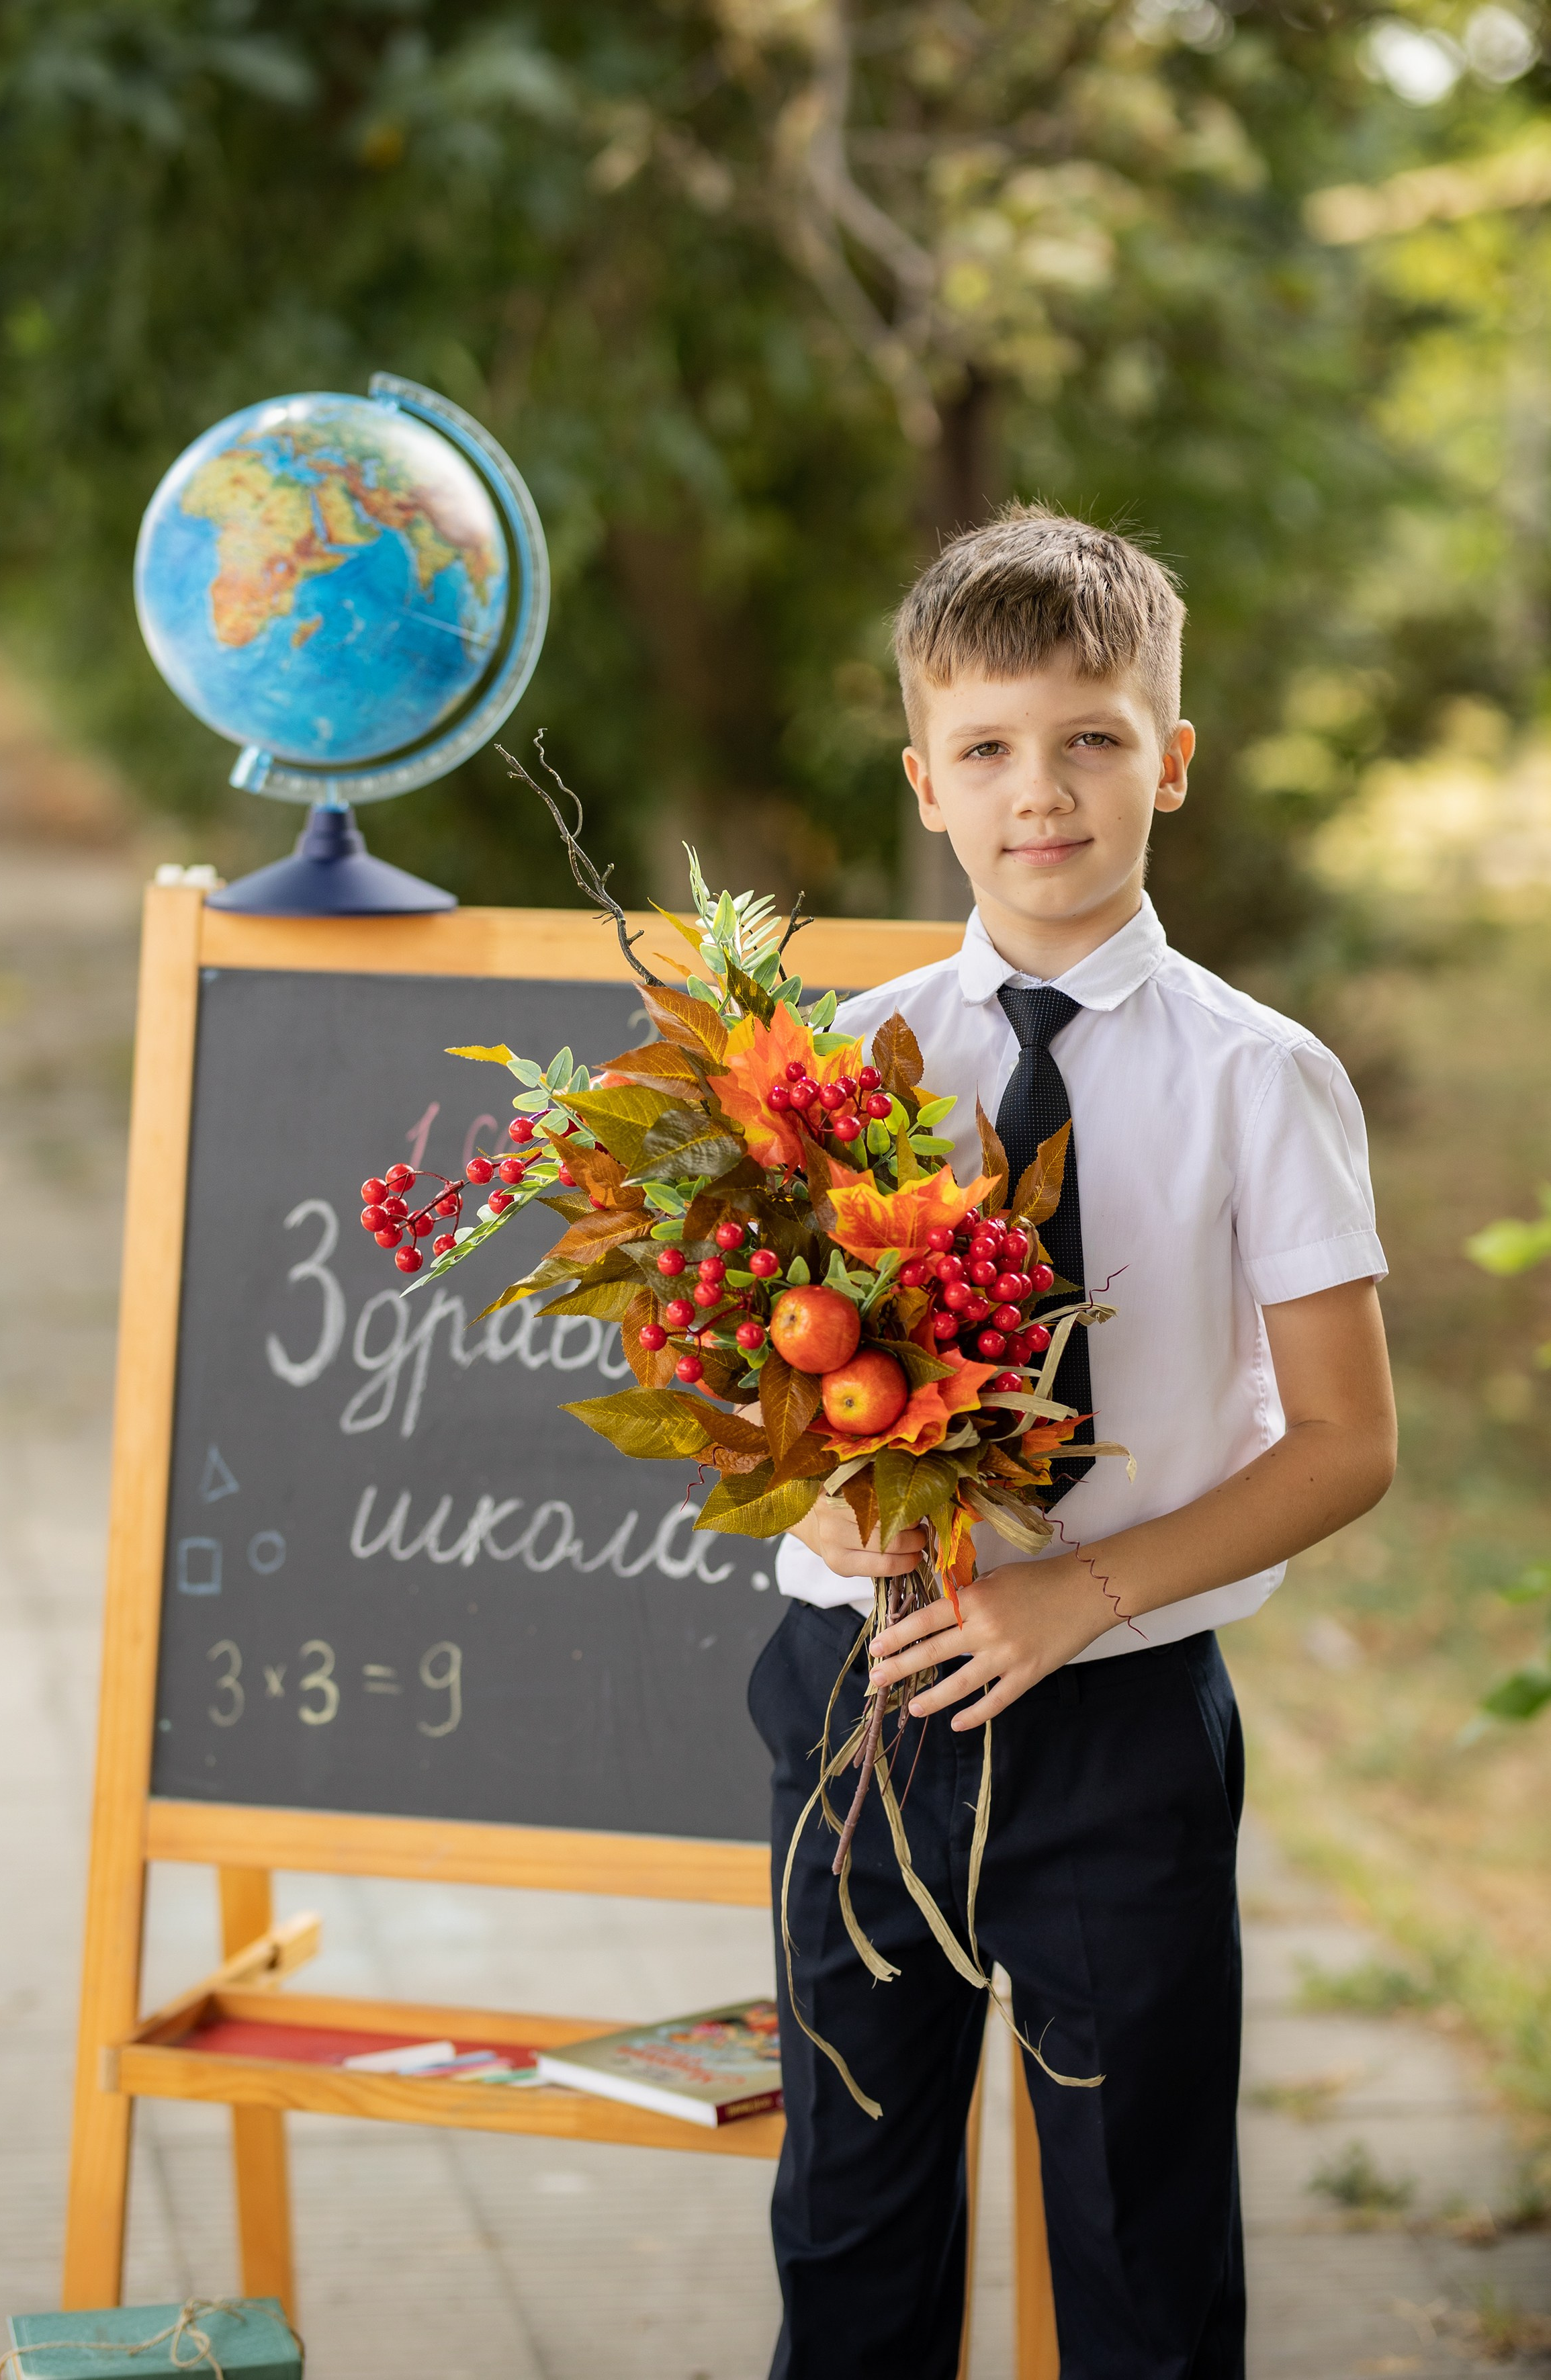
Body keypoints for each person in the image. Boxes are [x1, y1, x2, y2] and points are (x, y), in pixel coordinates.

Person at [748, 503, 1398, 2380]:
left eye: (1091, 738)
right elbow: (765, 1376)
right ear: (925, 785)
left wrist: (1077, 1595)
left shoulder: (1256, 1077)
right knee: (849, 2236)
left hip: (1118, 1728)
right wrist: (829, 1495)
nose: (1040, 791)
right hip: (862, 1703)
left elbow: (1345, 1440)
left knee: (1139, 2247)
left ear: (1169, 760)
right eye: (987, 750)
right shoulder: (835, 1066)